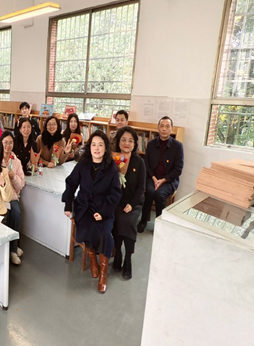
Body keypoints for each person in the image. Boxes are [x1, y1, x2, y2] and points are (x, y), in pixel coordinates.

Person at [62, 130, 122, 294]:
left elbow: (115, 193)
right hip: (85, 206)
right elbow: (71, 183)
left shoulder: (111, 167)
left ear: (105, 148)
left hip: (104, 207)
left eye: (100, 145)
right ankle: (92, 260)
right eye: (94, 145)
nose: (97, 148)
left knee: (105, 234)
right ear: (89, 147)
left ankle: (103, 273)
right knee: (86, 226)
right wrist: (68, 204)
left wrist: (103, 212)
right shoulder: (83, 164)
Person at [139, 116, 184, 232]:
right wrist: (154, 179)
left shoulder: (178, 146)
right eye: (162, 126)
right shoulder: (151, 144)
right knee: (149, 192)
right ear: (158, 128)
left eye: (167, 126)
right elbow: (146, 164)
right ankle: (143, 221)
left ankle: (160, 225)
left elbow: (178, 169)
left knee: (159, 194)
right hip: (152, 177)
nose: (164, 129)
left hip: (169, 180)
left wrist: (163, 180)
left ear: (171, 129)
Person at [112, 126, 145, 280]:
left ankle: (128, 259)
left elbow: (141, 187)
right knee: (116, 219)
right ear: (118, 142)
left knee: (129, 222)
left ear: (134, 144)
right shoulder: (113, 159)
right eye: (123, 140)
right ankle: (118, 252)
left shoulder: (139, 162)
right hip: (117, 201)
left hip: (133, 202)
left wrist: (132, 204)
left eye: (130, 141)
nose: (127, 143)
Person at [1, 132, 25, 265]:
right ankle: (6, 248)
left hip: (12, 197)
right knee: (5, 215)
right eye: (5, 142)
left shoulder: (16, 162)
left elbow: (21, 184)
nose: (8, 145)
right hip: (0, 196)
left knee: (16, 213)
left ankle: (13, 250)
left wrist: (14, 177)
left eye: (10, 142)